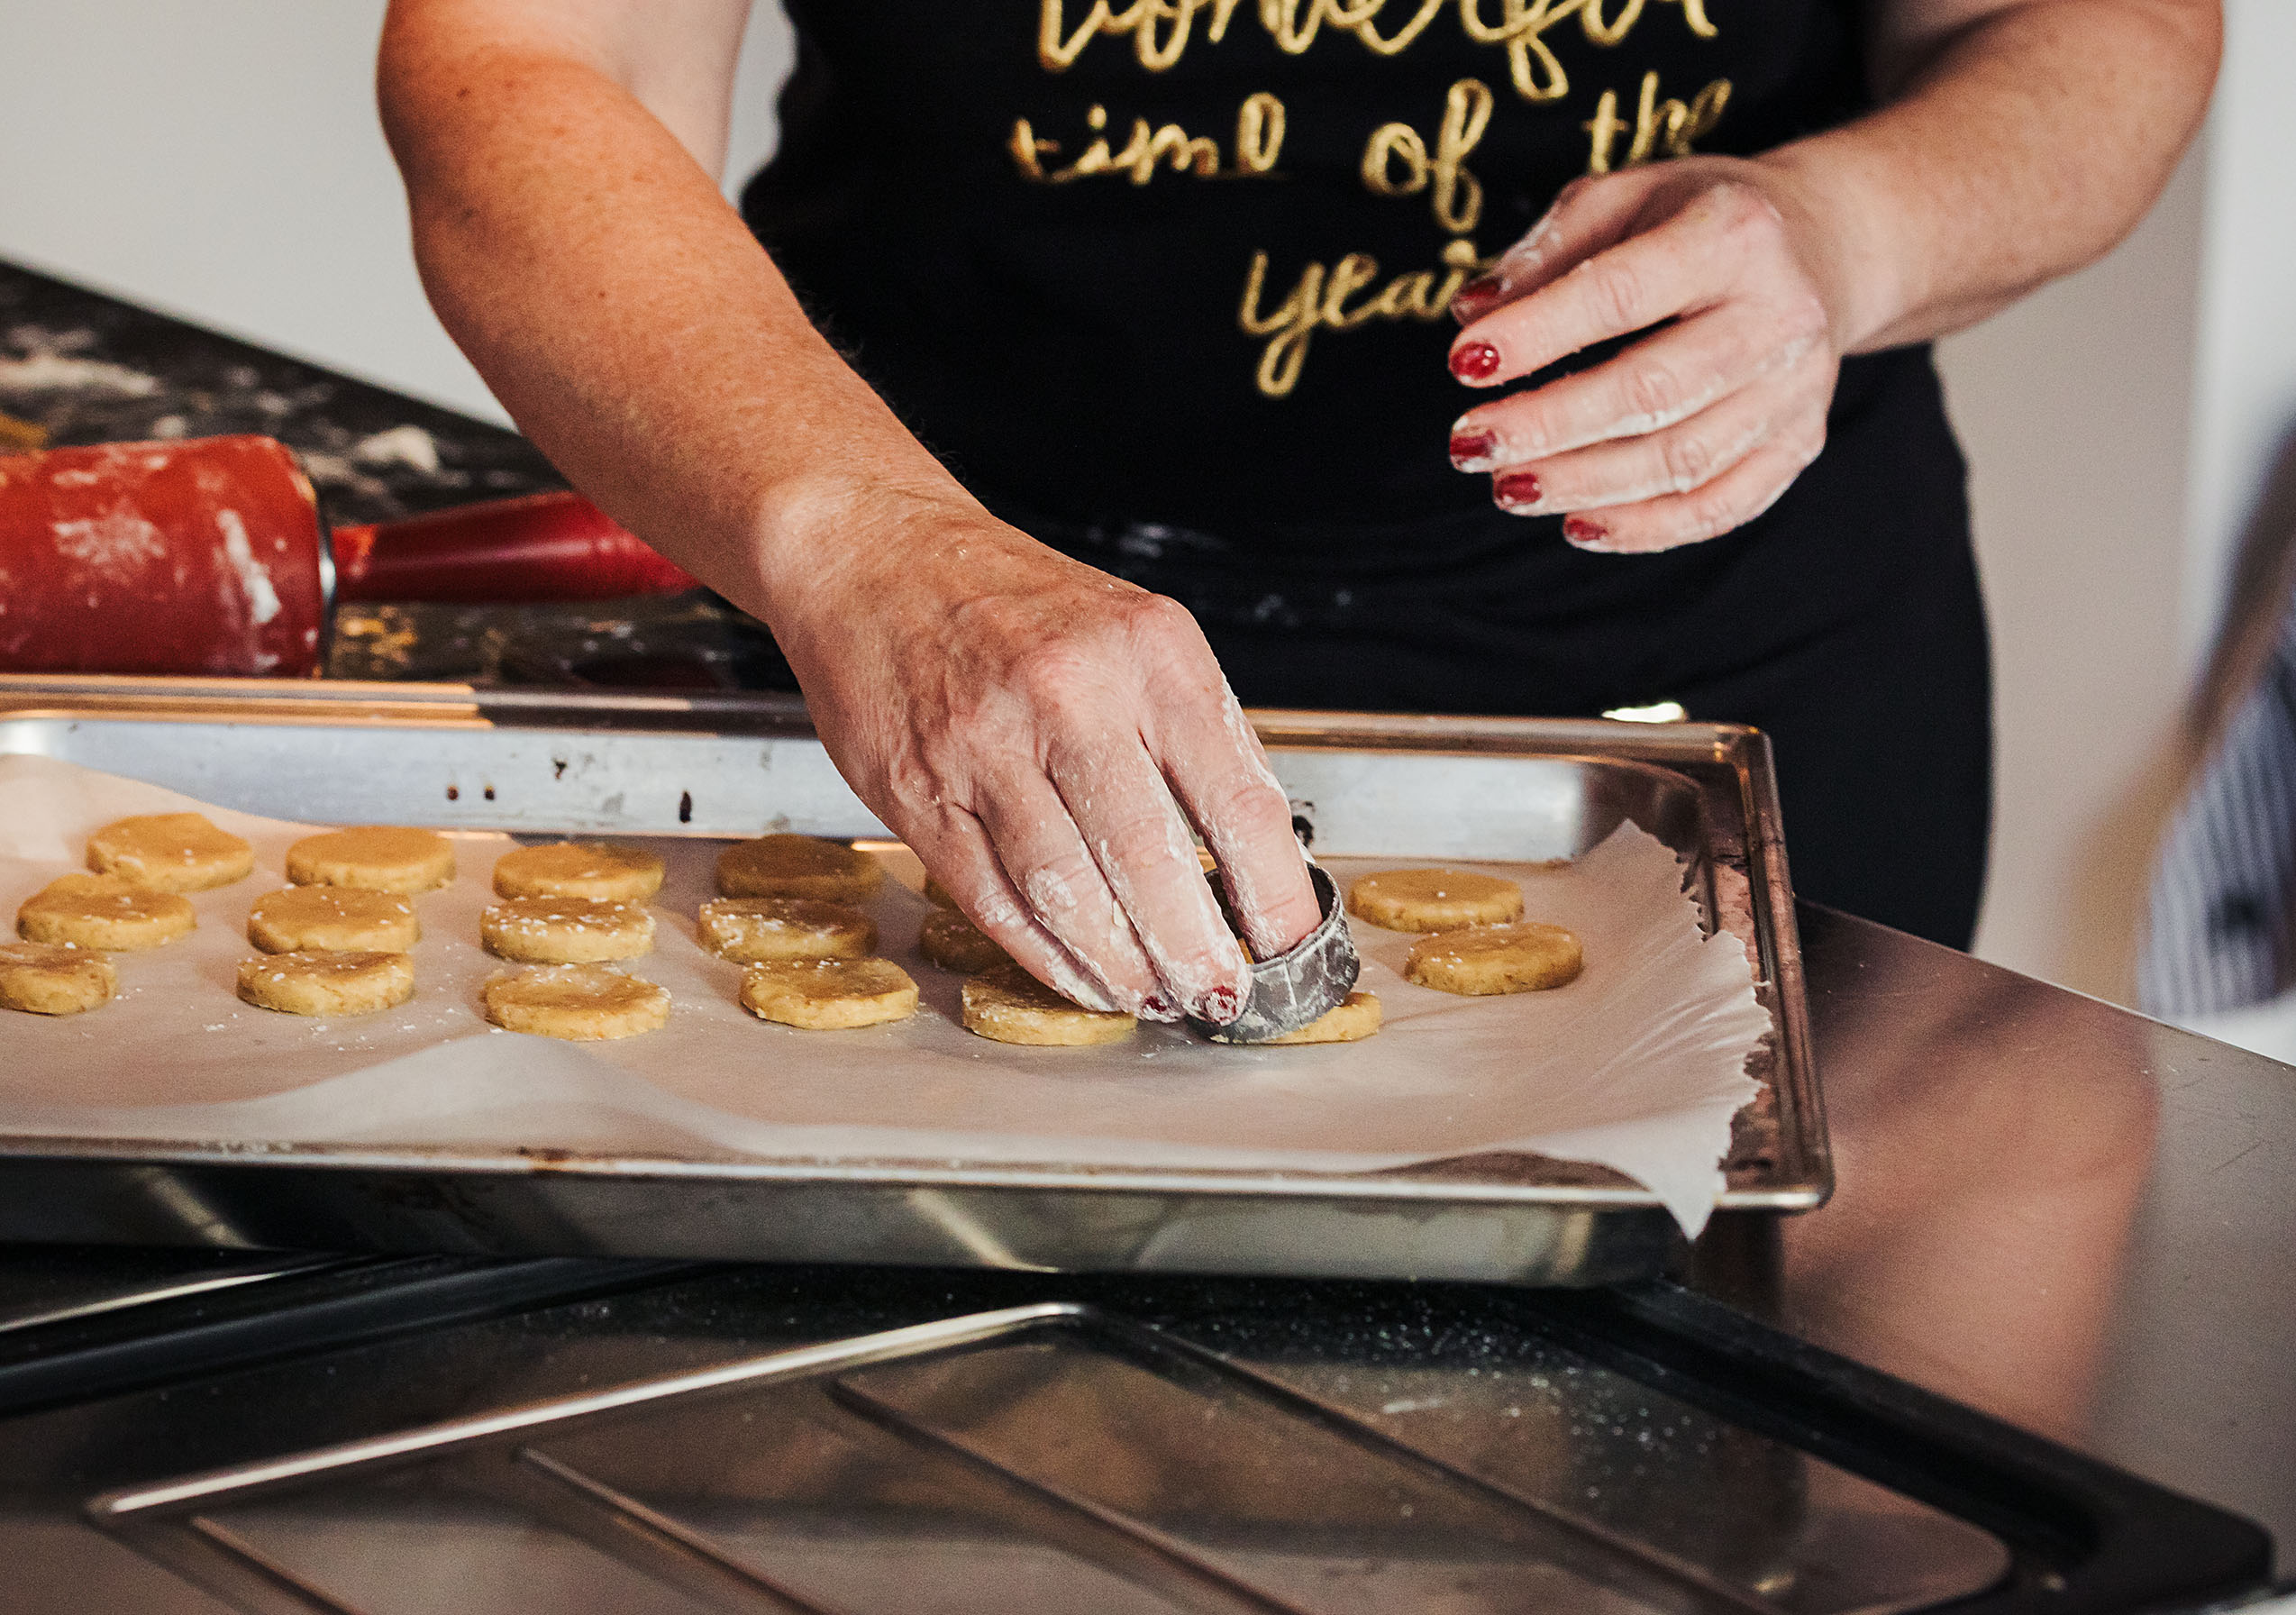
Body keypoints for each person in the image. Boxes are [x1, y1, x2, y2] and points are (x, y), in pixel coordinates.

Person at [378, 0, 2218, 1024]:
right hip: (905, 641)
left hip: (1718, 673)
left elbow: (2093, 27)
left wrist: (1851, 228)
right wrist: (866, 542)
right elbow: (540, 62)